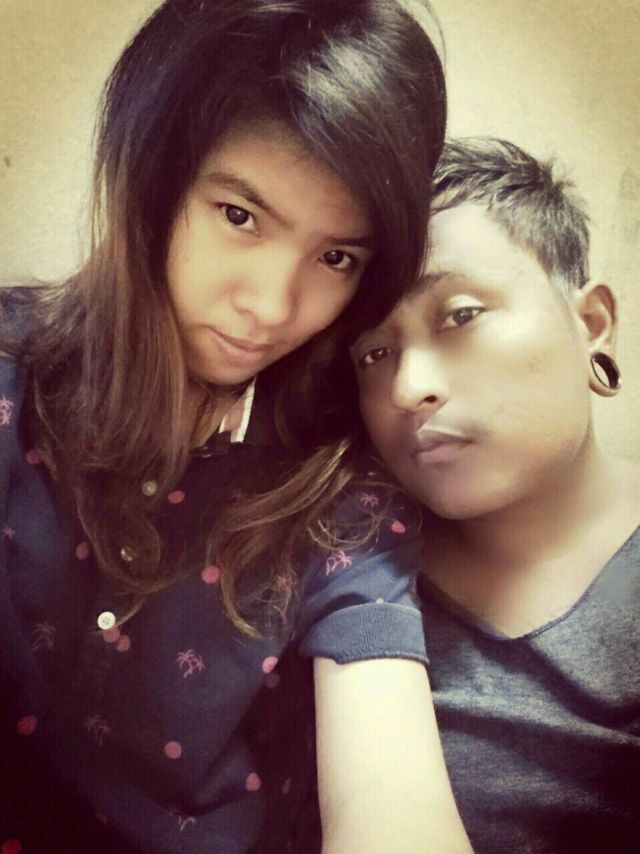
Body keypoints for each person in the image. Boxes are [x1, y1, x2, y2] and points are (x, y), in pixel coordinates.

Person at [0, 2, 473, 853]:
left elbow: (393, 792)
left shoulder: (342, 496)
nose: (272, 307)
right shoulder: (11, 379)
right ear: (153, 179)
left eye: (336, 257)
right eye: (239, 216)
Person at [351, 137, 640, 853]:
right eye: (374, 353)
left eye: (460, 315)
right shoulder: (345, 564)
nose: (408, 388)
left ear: (591, 323)